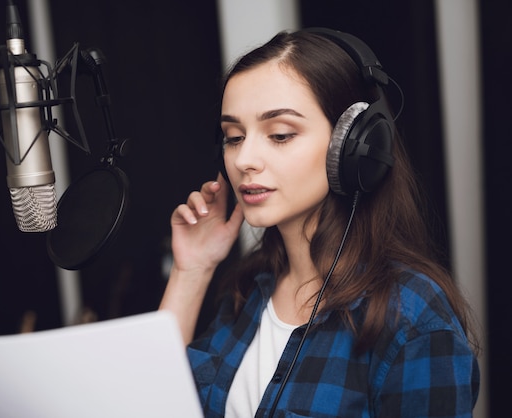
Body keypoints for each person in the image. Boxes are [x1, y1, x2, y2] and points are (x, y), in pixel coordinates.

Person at [159, 27, 480, 418]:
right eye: (233, 137)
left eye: (279, 135)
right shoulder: (248, 293)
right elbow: (148, 404)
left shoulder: (412, 320)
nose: (244, 159)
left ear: (354, 146)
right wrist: (192, 270)